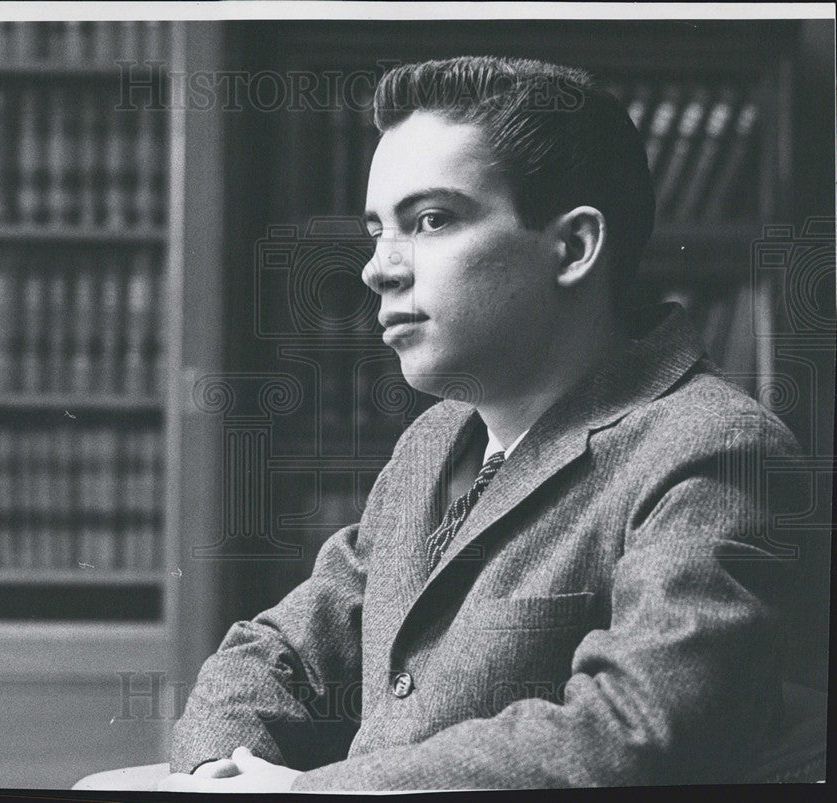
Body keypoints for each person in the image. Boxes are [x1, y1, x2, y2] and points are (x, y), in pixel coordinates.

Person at [154, 56, 807, 791]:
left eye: (431, 220)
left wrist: (310, 792)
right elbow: (276, 652)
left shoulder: (713, 447)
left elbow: (637, 728)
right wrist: (220, 766)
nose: (378, 269)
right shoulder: (433, 443)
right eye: (377, 230)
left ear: (574, 246)